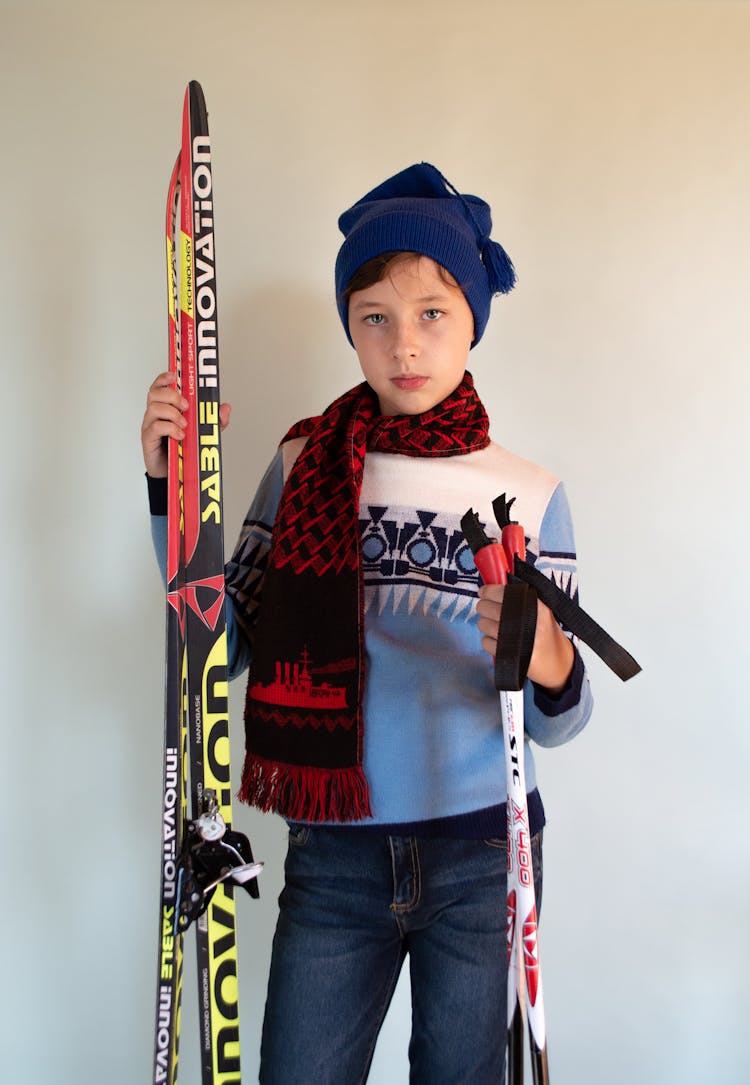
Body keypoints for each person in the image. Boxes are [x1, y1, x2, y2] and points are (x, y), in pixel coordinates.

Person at [142, 162, 593, 1084]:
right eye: (374, 317)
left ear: (473, 315)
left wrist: (546, 652)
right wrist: (172, 494)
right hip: (336, 854)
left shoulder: (530, 496)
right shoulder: (309, 463)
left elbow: (558, 718)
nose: (404, 344)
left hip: (481, 851)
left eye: (432, 311)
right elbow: (219, 648)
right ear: (349, 326)